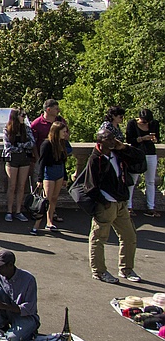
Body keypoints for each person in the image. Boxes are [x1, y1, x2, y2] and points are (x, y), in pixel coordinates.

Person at [80, 129, 143, 284]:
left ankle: (126, 269)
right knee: (99, 238)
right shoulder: (95, 160)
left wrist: (124, 147)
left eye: (113, 138)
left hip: (120, 202)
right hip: (106, 204)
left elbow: (140, 158)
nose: (113, 141)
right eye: (108, 139)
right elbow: (89, 187)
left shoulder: (117, 153)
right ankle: (99, 271)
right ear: (100, 142)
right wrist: (104, 201)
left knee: (129, 236)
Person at [0, 249, 40, 341]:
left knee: (13, 340)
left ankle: (30, 331)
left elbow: (28, 308)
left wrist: (3, 306)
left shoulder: (28, 279)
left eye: (1, 267)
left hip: (25, 316)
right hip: (8, 313)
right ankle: (2, 326)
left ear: (10, 265)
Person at [34, 121, 72, 234]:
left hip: (59, 171)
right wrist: (40, 179)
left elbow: (63, 162)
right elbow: (42, 162)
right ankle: (37, 224)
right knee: (46, 200)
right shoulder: (46, 144)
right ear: (57, 132)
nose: (65, 134)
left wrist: (65, 177)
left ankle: (49, 222)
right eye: (63, 132)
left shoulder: (62, 143)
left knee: (54, 198)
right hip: (49, 172)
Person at [2, 108, 34, 223]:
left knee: (21, 186)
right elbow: (8, 146)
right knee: (12, 185)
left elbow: (32, 143)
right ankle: (9, 211)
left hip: (24, 159)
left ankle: (18, 211)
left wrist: (20, 146)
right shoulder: (7, 129)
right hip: (12, 159)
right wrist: (22, 147)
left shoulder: (26, 129)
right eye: (22, 115)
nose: (24, 118)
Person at [125, 108, 159, 217]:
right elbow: (130, 140)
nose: (146, 123)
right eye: (144, 121)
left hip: (150, 152)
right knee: (132, 180)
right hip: (136, 152)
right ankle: (128, 206)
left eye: (147, 121)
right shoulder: (132, 124)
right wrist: (142, 138)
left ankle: (151, 207)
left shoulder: (154, 124)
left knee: (150, 181)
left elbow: (158, 138)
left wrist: (154, 139)